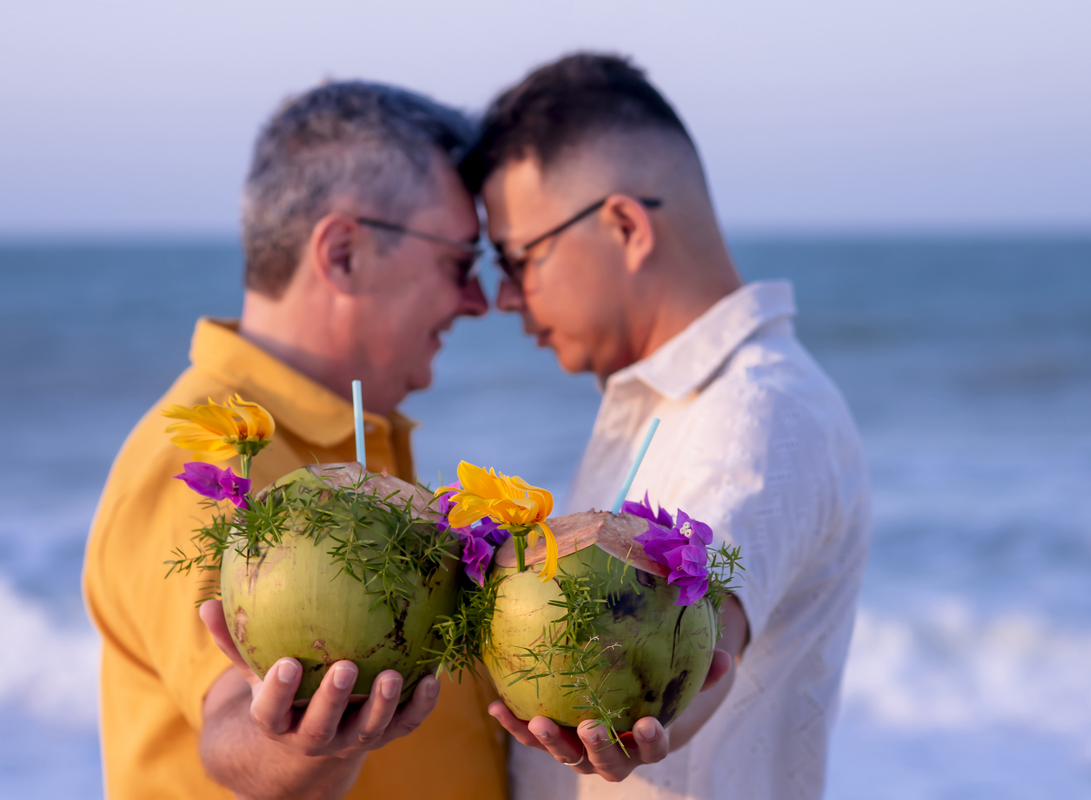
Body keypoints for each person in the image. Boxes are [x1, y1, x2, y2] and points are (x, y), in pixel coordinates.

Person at [462, 53, 872, 799]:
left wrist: (646, 727)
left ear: (623, 226)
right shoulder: (668, 400)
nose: (504, 299)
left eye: (516, 259)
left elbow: (711, 643)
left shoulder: (754, 409)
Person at [83, 82, 509, 800]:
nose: (478, 300)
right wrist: (295, 742)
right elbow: (233, 727)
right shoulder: (214, 457)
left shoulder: (349, 452)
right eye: (460, 262)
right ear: (342, 254)